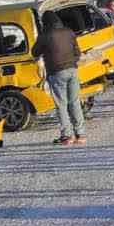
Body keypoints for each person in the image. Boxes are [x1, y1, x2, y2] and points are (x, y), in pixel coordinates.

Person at [35, 11, 87, 145]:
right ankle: (80, 134)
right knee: (75, 102)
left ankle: (67, 136)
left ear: (45, 22)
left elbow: (34, 52)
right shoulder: (69, 32)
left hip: (56, 72)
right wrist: (72, 62)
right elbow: (77, 51)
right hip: (72, 70)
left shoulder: (45, 35)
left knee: (61, 105)